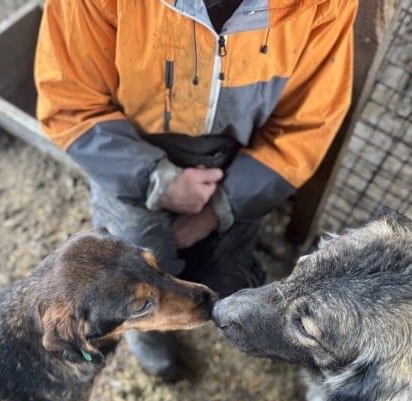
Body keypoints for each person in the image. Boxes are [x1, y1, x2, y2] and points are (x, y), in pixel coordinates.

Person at [35, 0, 357, 379]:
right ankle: (143, 329)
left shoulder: (322, 5)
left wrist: (221, 205)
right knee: (132, 264)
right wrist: (155, 179)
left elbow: (308, 123)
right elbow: (70, 101)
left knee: (227, 278)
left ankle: (205, 288)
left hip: (234, 161)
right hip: (125, 150)